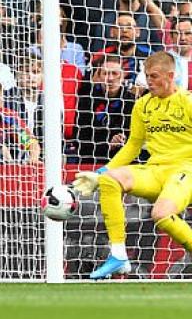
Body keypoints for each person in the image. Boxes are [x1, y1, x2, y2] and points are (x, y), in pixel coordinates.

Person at [73, 51, 192, 279]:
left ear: (170, 75)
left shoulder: (187, 102)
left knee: (161, 214)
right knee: (110, 180)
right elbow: (132, 146)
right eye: (147, 76)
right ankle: (118, 255)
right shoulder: (143, 106)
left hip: (186, 170)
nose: (149, 81)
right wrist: (101, 172)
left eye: (155, 76)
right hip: (156, 170)